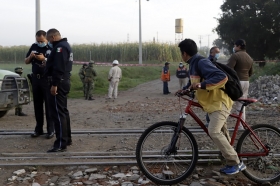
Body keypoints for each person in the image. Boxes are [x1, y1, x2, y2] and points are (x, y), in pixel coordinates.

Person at [177, 38, 246, 175]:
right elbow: (195, 82)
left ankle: (236, 162)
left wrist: (201, 85)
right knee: (221, 133)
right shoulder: (193, 64)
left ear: (185, 53)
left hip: (220, 103)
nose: (181, 55)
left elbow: (221, 77)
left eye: (181, 53)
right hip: (212, 105)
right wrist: (185, 89)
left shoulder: (201, 62)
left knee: (213, 131)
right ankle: (229, 157)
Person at [44, 28, 73, 152]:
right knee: (63, 111)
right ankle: (67, 139)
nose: (49, 42)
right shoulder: (65, 45)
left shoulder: (59, 48)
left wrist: (54, 84)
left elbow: (59, 67)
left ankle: (61, 143)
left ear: (53, 37)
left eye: (49, 40)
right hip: (64, 81)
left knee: (57, 113)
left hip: (58, 83)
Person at [25, 30, 54, 139]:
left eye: (41, 41)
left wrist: (44, 59)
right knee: (37, 105)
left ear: (46, 38)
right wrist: (31, 57)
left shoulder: (51, 48)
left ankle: (50, 129)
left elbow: (54, 62)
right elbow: (26, 61)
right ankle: (39, 129)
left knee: (48, 105)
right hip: (35, 79)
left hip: (46, 79)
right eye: (38, 41)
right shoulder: (34, 46)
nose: (39, 43)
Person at [227, 39, 253, 127]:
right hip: (246, 81)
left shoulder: (236, 56)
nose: (234, 47)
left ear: (238, 46)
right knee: (242, 104)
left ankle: (223, 123)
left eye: (235, 45)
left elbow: (228, 69)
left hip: (237, 82)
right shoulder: (249, 57)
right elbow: (250, 72)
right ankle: (242, 125)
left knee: (229, 102)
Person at [205, 46, 221, 126]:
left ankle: (210, 121)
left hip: (213, 85)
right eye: (217, 52)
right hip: (210, 85)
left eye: (219, 52)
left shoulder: (214, 60)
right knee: (210, 104)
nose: (218, 54)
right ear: (212, 53)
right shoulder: (209, 62)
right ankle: (209, 122)